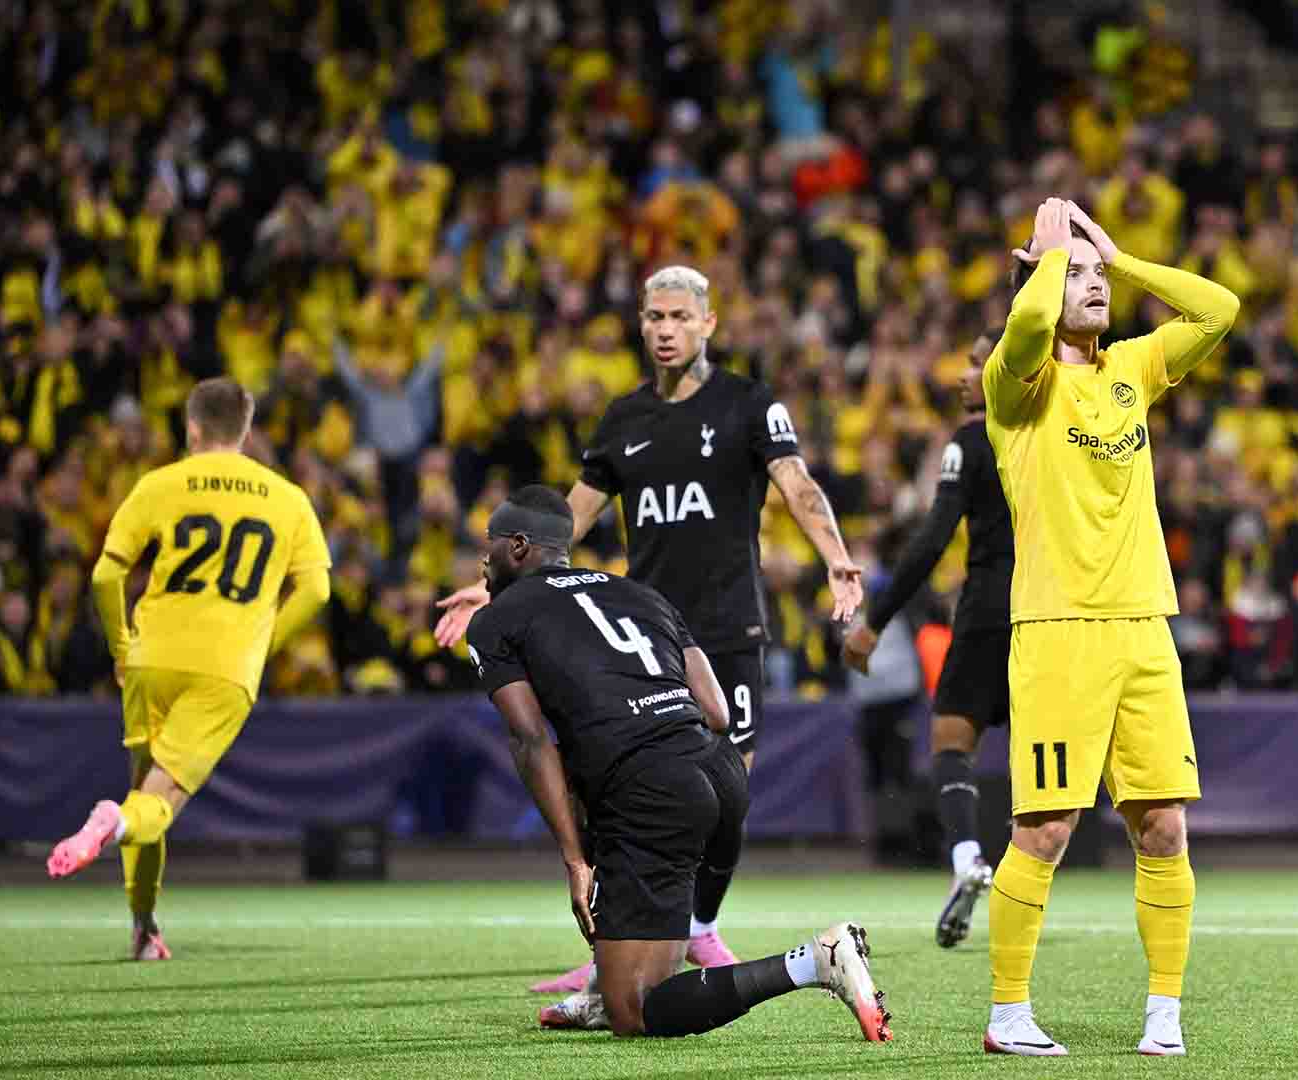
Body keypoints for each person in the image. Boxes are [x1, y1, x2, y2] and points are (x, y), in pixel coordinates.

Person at [433, 264, 864, 989]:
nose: (665, 330)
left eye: (678, 317)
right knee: (612, 787)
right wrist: (492, 588)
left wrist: (839, 563)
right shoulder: (624, 420)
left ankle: (699, 928)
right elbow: (562, 523)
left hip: (726, 630)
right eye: (653, 317)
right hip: (642, 640)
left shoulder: (749, 404)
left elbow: (797, 484)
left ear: (708, 324)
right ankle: (619, 938)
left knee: (727, 792)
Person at [467, 485, 889, 1042]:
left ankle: (815, 962)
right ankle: (607, 984)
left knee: (637, 1012)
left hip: (654, 788)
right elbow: (716, 711)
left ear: (518, 546)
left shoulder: (496, 619)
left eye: (490, 545)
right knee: (601, 806)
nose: (482, 559)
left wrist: (574, 861)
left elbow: (530, 742)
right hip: (718, 769)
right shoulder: (640, 594)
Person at [978, 198, 1238, 1057]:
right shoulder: (1015, 390)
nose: (1093, 288)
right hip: (1057, 628)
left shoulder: (1132, 366)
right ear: (1044, 287)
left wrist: (1118, 258)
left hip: (1143, 628)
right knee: (1045, 831)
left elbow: (1219, 309)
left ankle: (1164, 1012)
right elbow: (1022, 331)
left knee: (1164, 824)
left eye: (1098, 280)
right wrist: (1051, 263)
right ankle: (1007, 1013)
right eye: (1077, 277)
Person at [46, 378, 333, 961]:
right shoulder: (286, 497)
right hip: (224, 669)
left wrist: (122, 647)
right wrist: (264, 641)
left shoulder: (160, 484)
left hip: (150, 657)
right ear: (245, 430)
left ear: (192, 428)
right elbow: (318, 591)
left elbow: (106, 575)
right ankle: (107, 823)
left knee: (143, 793)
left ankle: (143, 926)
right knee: (153, 805)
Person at [842, 326, 1014, 950]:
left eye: (975, 365)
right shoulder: (1053, 437)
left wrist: (874, 621)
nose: (962, 376)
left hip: (989, 608)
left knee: (951, 741)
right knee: (1046, 759)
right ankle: (1031, 883)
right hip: (1053, 614)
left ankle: (967, 854)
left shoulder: (971, 440)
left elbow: (933, 538)